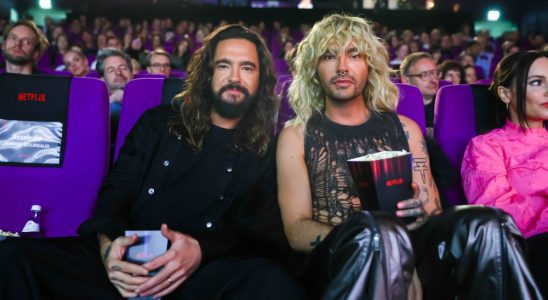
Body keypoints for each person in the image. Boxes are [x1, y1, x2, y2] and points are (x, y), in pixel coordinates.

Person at [0, 24, 303, 299]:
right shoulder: (157, 123)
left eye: (246, 67)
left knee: (273, 284)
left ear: (260, 78)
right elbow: (115, 193)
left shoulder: (267, 147)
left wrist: (200, 250)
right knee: (12, 257)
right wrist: (109, 248)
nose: (234, 77)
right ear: (208, 72)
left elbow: (260, 233)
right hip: (125, 259)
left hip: (201, 273)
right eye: (224, 65)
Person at [277, 14, 543, 299]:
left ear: (370, 65)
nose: (342, 67)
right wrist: (383, 245)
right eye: (329, 56)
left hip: (414, 247)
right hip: (337, 262)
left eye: (354, 55)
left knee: (486, 223)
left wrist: (419, 216)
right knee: (377, 233)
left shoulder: (406, 129)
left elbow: (433, 214)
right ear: (315, 68)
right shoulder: (296, 135)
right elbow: (296, 231)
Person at [461, 50, 548, 297]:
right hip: (524, 251)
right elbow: (497, 215)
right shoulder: (486, 146)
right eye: (536, 82)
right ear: (505, 93)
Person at [400, 52, 439, 133]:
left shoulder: (447, 108)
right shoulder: (397, 112)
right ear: (406, 80)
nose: (434, 80)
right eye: (424, 75)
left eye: (435, 73)